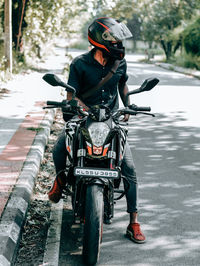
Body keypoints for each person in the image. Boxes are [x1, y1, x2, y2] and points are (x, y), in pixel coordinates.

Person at [48, 17, 146, 244]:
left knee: (128, 166)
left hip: (111, 120)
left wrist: (128, 104)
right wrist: (78, 108)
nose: (118, 42)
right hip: (84, 118)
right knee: (60, 147)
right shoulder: (79, 63)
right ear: (100, 39)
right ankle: (62, 179)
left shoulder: (119, 63)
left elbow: (122, 84)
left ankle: (133, 222)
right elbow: (71, 94)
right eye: (114, 38)